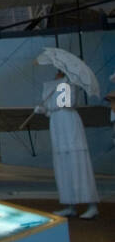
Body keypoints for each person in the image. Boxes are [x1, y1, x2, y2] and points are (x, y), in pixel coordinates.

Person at [36, 70, 99, 219]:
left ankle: (92, 206)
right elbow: (54, 108)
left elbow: (65, 103)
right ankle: (69, 205)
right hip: (57, 125)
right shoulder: (55, 85)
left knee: (78, 163)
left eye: (59, 71)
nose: (56, 73)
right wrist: (44, 110)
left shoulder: (68, 84)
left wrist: (58, 89)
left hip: (69, 124)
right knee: (63, 165)